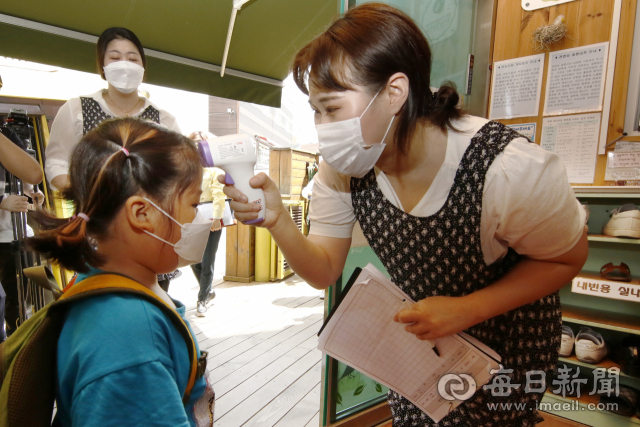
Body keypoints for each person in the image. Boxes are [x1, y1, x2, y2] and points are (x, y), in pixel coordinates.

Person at [222, 3, 588, 427]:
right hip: (421, 348)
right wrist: (279, 221)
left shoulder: (505, 168)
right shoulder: (344, 169)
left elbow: (567, 257)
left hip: (506, 347)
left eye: (332, 108)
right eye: (316, 112)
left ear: (394, 92)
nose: (323, 129)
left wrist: (466, 309)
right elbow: (324, 270)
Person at [28, 118, 214, 426]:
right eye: (194, 203)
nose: (200, 216)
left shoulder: (109, 286)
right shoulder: (128, 337)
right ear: (142, 214)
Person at [45, 26, 182, 288]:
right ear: (102, 65)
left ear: (144, 67)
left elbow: (177, 176)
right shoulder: (77, 109)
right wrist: (85, 192)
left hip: (149, 233)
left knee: (148, 302)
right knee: (99, 300)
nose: (125, 64)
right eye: (115, 57)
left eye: (133, 59)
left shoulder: (164, 120)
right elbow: (56, 161)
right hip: (96, 230)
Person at [0, 127, 44, 338]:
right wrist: (1, 202)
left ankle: (14, 343)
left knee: (18, 298)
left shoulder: (6, 135)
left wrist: (31, 192)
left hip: (15, 234)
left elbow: (29, 174)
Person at [188, 132, 225, 317]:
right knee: (192, 259)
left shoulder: (215, 172)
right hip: (192, 220)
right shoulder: (188, 172)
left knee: (207, 259)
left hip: (211, 220)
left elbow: (219, 195)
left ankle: (202, 299)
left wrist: (217, 218)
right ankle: (208, 290)